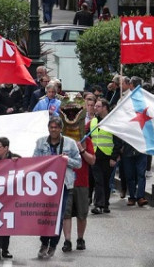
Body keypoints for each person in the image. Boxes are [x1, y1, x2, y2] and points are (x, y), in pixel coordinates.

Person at [32, 116, 82, 259]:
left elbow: (78, 164)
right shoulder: (41, 142)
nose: (53, 129)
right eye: (51, 127)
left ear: (60, 129)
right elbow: (35, 161)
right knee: (44, 215)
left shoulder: (70, 143)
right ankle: (44, 242)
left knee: (58, 217)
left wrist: (66, 160)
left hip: (63, 185)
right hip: (46, 186)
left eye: (56, 127)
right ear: (48, 128)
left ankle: (53, 244)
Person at [62, 134, 95, 253]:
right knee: (66, 213)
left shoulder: (86, 140)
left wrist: (81, 149)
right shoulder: (62, 141)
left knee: (82, 213)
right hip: (66, 182)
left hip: (82, 183)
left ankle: (80, 239)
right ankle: (67, 241)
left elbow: (92, 160)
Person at [90, 98, 121, 214]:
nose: (95, 108)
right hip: (95, 155)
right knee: (98, 181)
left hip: (107, 156)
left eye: (98, 106)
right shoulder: (93, 121)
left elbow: (117, 141)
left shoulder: (112, 122)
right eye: (95, 106)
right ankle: (98, 205)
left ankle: (105, 204)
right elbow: (90, 137)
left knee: (106, 181)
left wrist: (114, 157)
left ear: (105, 108)